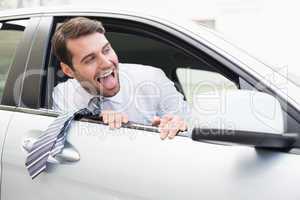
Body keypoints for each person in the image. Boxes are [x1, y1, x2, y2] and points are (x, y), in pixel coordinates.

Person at [51, 17, 190, 140]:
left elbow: (190, 126)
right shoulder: (64, 94)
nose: (106, 63)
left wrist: (178, 126)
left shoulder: (153, 78)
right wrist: (97, 124)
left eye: (106, 50)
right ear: (68, 70)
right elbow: (67, 142)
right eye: (90, 59)